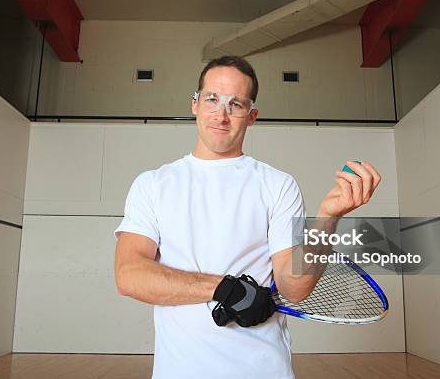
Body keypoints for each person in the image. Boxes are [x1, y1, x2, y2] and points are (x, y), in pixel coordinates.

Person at [113, 55, 381, 379]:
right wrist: (226, 289)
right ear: (194, 104)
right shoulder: (152, 184)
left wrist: (327, 218)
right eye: (212, 99)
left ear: (251, 116)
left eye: (235, 104)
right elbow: (129, 275)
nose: (221, 115)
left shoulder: (278, 185)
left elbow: (293, 289)